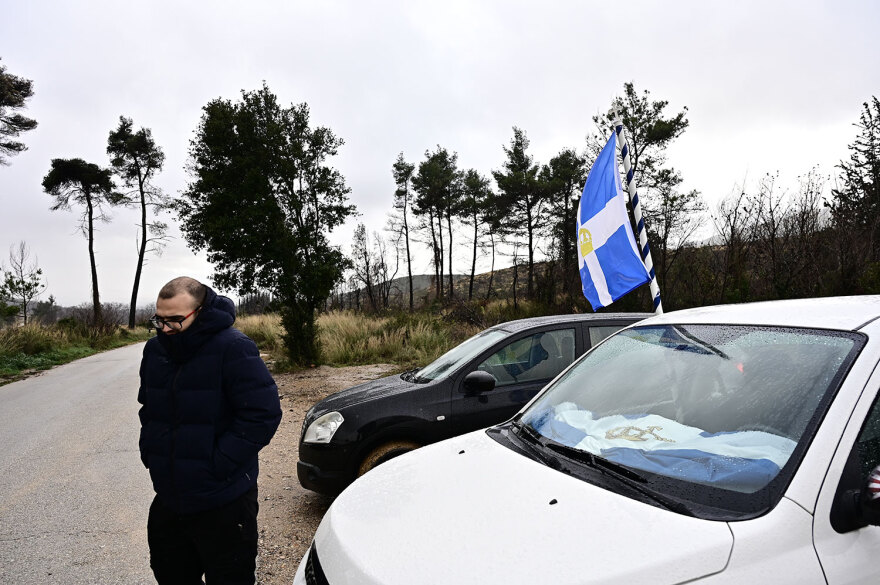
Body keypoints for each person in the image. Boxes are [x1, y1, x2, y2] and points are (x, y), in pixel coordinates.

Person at [138, 276, 282, 584]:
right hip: (170, 496)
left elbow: (262, 415)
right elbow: (148, 408)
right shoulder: (155, 351)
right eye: (158, 320)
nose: (165, 329)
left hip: (224, 500)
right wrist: (149, 450)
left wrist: (217, 465)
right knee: (170, 574)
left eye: (175, 320)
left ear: (200, 311)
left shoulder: (233, 347)